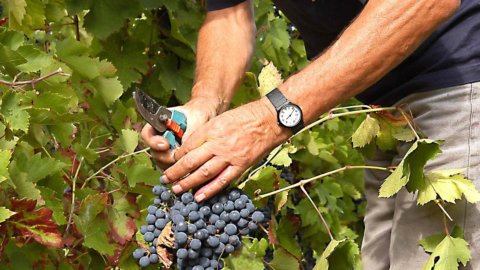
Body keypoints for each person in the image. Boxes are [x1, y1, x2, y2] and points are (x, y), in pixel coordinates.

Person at [142, 0, 480, 269]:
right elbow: (228, 15)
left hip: (459, 87)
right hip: (385, 112)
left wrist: (270, 118)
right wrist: (204, 102)